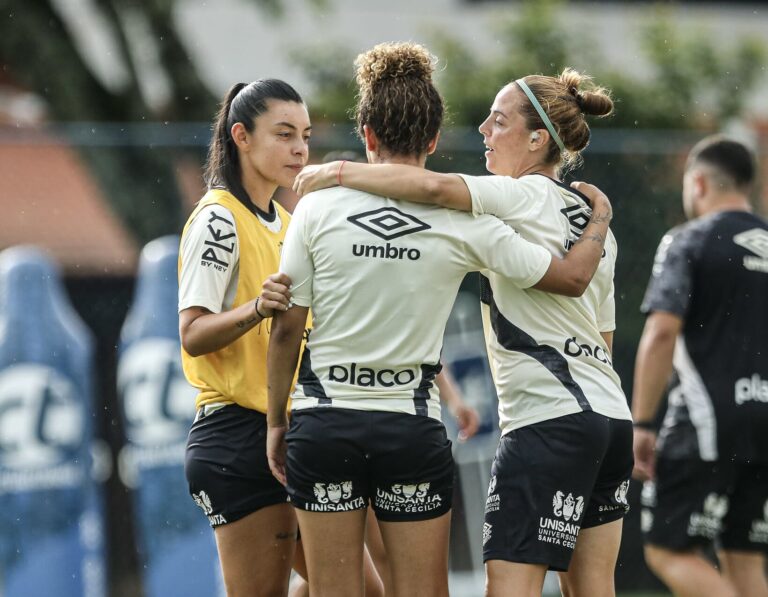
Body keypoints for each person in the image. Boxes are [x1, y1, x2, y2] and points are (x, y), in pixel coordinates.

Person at [267, 43, 615, 597]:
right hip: (417, 425)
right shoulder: (469, 224)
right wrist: (599, 217)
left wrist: (274, 419)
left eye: (496, 122)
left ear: (366, 133)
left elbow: (287, 324)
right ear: (433, 140)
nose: (484, 131)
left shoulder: (315, 205)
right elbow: (570, 279)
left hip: (325, 421)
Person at [178, 79, 311, 596]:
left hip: (287, 434)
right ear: (242, 137)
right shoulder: (218, 219)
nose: (299, 148)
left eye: (303, 134)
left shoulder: (287, 221)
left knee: (355, 586)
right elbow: (192, 333)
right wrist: (257, 308)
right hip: (238, 437)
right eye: (283, 134)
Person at [631, 136, 768, 597]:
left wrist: (643, 422)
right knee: (744, 557)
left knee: (669, 550)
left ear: (699, 182)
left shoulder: (689, 240)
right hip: (765, 424)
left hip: (707, 422)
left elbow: (662, 334)